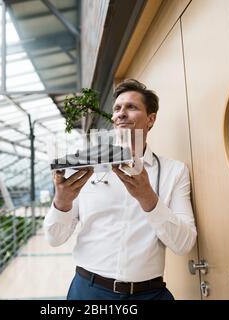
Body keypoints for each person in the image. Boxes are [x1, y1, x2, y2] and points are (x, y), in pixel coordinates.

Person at [43, 79, 197, 300]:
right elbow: (54, 239)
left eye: (132, 107)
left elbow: (184, 244)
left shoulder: (175, 172)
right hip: (88, 291)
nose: (121, 113)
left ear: (151, 119)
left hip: (149, 294)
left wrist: (149, 199)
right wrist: (62, 202)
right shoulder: (83, 168)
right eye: (117, 108)